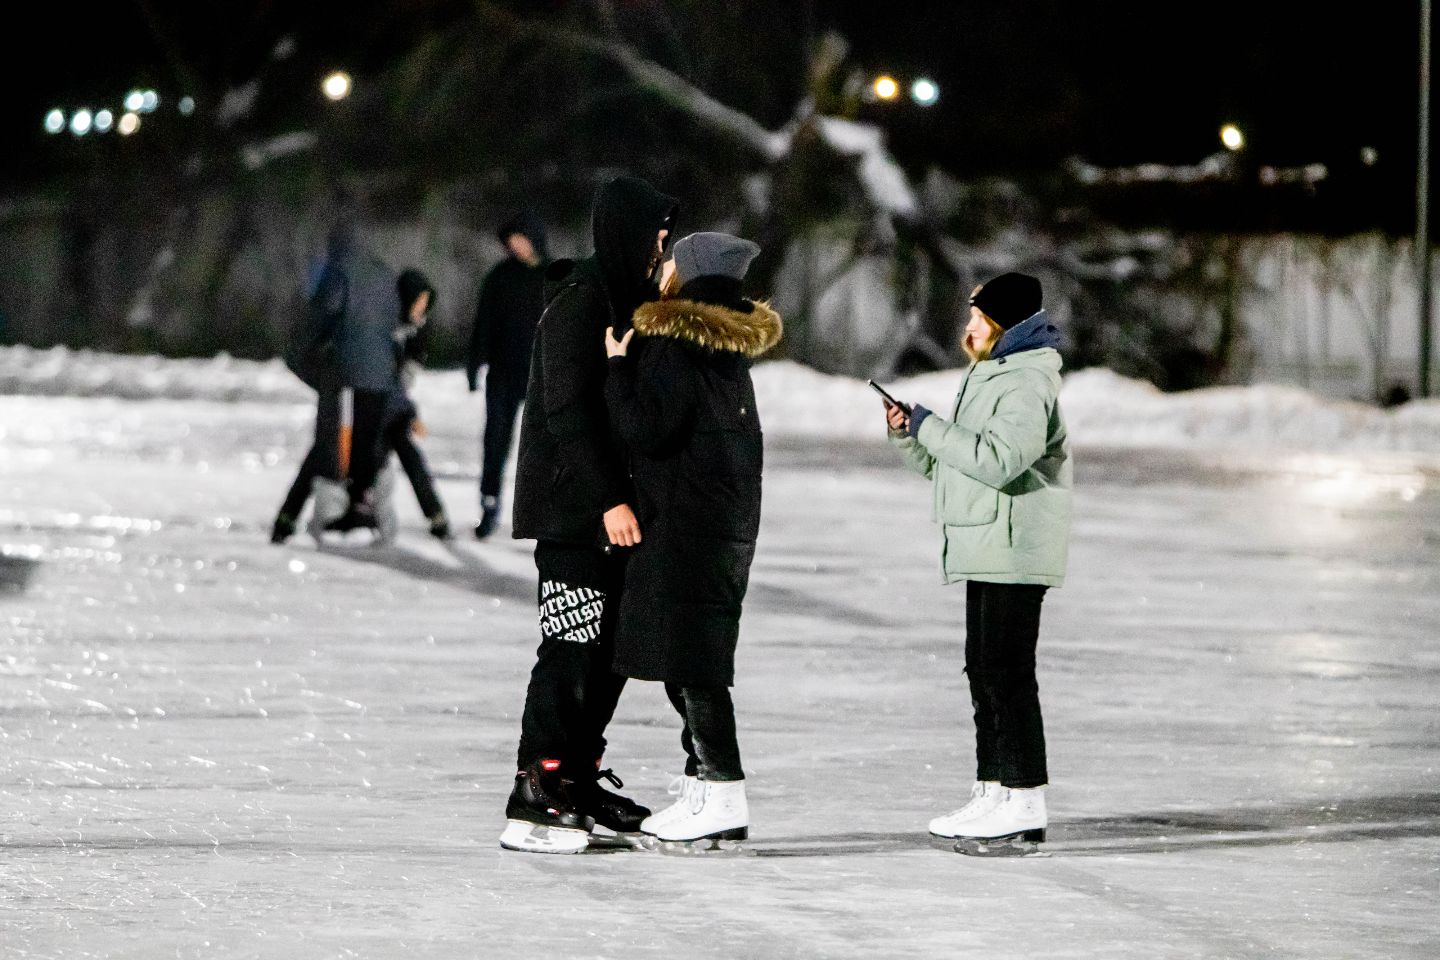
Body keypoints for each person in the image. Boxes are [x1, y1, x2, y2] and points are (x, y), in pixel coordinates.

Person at [500, 175, 679, 854]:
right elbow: (566, 411)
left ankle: (576, 772)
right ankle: (538, 782)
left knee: (609, 654)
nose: (662, 249)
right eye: (656, 237)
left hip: (610, 516)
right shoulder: (579, 305)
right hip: (573, 516)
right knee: (572, 646)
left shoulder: (624, 300)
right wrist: (608, 498)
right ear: (626, 232)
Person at [883, 271, 1072, 855]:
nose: (967, 329)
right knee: (984, 671)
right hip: (986, 542)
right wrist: (911, 437)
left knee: (1007, 674)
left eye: (977, 319)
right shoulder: (989, 374)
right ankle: (993, 789)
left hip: (1014, 547)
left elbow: (998, 462)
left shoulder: (1025, 382)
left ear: (1004, 325)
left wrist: (929, 425)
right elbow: (957, 467)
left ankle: (1023, 800)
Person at [602, 233, 780, 849]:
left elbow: (648, 429)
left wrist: (619, 368)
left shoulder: (672, 339)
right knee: (693, 659)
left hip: (684, 525)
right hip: (726, 525)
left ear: (691, 272)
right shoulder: (725, 345)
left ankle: (722, 789)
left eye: (672, 261)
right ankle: (705, 788)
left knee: (693, 666)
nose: (663, 269)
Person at [467, 212, 550, 540]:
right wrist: (475, 365)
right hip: (502, 374)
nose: (516, 246)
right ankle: (489, 505)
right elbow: (483, 324)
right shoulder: (499, 277)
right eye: (511, 241)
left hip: (541, 375)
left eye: (521, 239)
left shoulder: (554, 276)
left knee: (539, 447)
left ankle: (540, 513)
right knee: (495, 442)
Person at [383, 270, 450, 539]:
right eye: (418, 301)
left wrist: (406, 411)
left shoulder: (418, 329)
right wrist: (410, 414)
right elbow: (385, 377)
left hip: (395, 406)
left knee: (410, 457)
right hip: (377, 405)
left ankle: (436, 516)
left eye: (426, 302)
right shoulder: (385, 327)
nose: (422, 308)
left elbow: (405, 377)